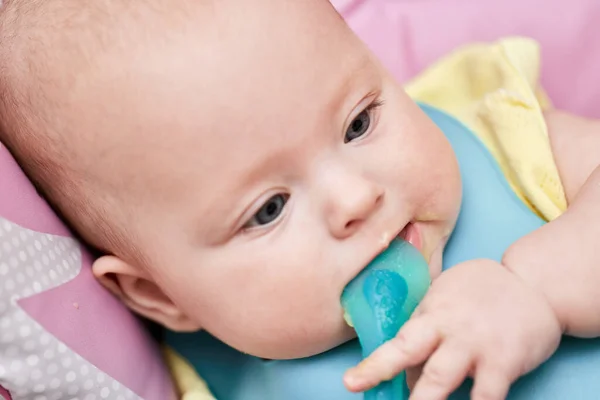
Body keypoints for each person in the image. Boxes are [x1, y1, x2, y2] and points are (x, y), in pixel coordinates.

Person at [1, 0, 599, 398]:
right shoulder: (203, 382)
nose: (356, 198)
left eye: (359, 123)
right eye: (268, 209)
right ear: (161, 295)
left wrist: (537, 289)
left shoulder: (493, 129)